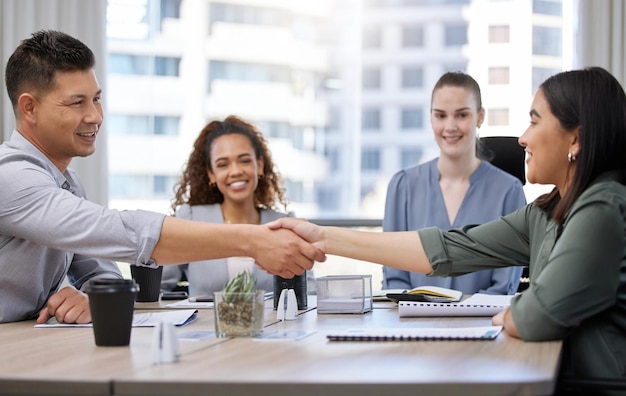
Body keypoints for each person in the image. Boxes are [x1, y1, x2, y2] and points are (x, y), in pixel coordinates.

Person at [271, 67, 626, 383]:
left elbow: (537, 316)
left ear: (575, 139)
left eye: (534, 121)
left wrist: (517, 311)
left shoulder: (602, 207)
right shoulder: (546, 213)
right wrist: (322, 237)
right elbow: (450, 248)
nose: (522, 138)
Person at [0, 30, 324, 325]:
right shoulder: (11, 177)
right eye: (77, 102)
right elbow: (123, 233)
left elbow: (100, 268)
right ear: (29, 108)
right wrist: (253, 240)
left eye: (96, 99)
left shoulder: (67, 182)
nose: (95, 116)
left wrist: (92, 297)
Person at [382, 71, 526, 295]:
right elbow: (394, 279)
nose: (450, 126)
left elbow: (502, 286)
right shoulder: (403, 186)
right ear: (430, 118)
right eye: (440, 115)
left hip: (481, 324)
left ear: (480, 117)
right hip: (412, 324)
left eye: (461, 115)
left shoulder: (509, 191)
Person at [161, 115, 300, 295]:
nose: (235, 171)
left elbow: (308, 294)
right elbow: (157, 288)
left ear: (260, 165)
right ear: (211, 174)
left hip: (274, 324)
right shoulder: (191, 219)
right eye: (223, 164)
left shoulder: (285, 225)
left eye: (244, 161)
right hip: (205, 324)